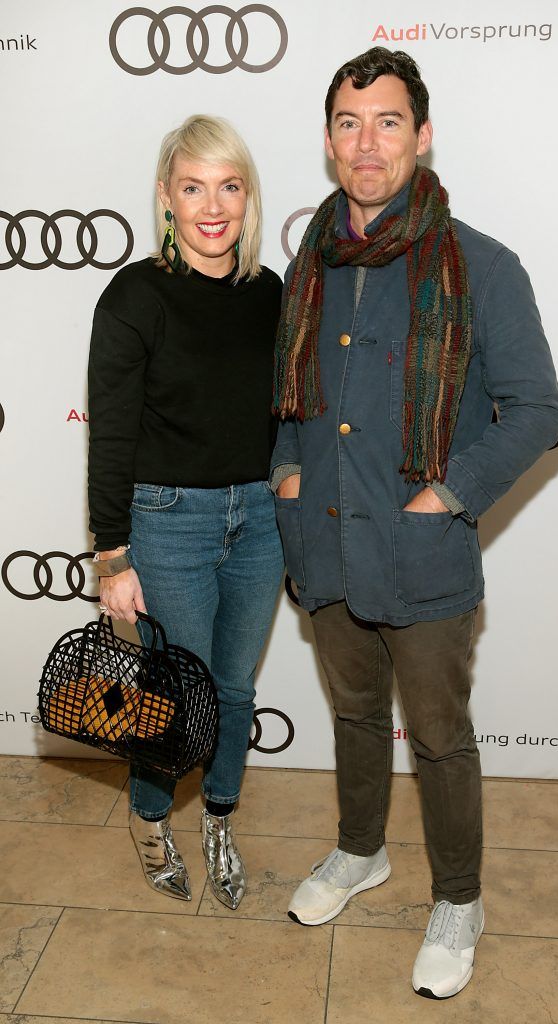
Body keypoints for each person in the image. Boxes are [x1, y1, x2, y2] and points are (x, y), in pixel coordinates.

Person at [271, 47, 558, 998]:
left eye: (388, 121)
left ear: (422, 135)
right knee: (353, 714)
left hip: (422, 551)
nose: (368, 142)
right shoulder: (308, 262)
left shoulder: (480, 264)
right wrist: (283, 468)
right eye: (350, 123)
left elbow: (537, 408)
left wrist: (450, 492)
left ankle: (459, 897)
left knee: (436, 734)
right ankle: (360, 850)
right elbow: (288, 396)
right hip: (323, 539)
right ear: (328, 141)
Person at [88, 114, 284, 910]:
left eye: (228, 186)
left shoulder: (268, 292)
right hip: (166, 521)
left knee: (234, 689)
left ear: (247, 195)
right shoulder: (135, 294)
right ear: (166, 198)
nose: (213, 205)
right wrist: (111, 557)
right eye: (193, 186)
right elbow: (111, 432)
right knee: (172, 695)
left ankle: (219, 820)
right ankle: (149, 818)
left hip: (261, 520)